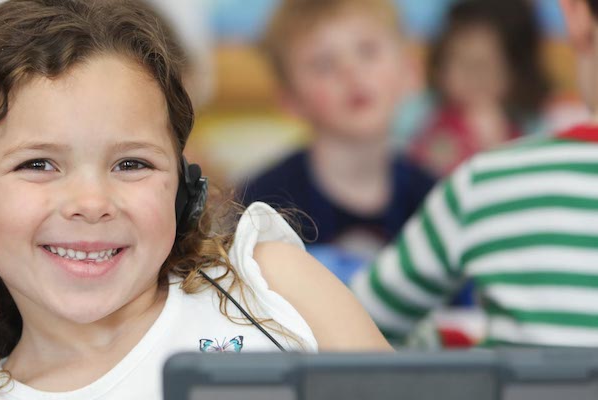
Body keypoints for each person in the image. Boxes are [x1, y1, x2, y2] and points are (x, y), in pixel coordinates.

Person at [0, 0, 391, 398]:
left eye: (131, 164)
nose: (91, 203)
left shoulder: (271, 283)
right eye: (38, 164)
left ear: (184, 190)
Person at [351, 0, 598, 347]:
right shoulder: (419, 117)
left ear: (574, 15)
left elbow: (357, 318)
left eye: (485, 67)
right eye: (462, 64)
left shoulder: (488, 178)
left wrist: (448, 343)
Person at [239, 0, 436, 274]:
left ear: (410, 72)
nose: (351, 72)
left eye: (368, 51)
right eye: (324, 64)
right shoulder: (263, 205)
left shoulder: (435, 200)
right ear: (291, 100)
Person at [408, 0, 551, 177]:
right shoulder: (425, 115)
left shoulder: (531, 127)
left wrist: (494, 139)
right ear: (440, 67)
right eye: (462, 62)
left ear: (512, 73)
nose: (473, 77)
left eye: (484, 66)